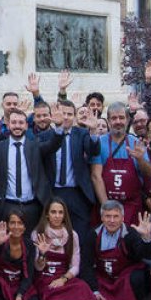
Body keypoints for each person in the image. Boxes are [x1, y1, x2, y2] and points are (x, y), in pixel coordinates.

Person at [41, 99, 99, 274]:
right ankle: (55, 274)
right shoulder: (45, 135)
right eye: (62, 113)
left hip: (77, 193)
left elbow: (93, 151)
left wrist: (93, 131)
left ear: (74, 117)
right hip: (54, 193)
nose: (65, 117)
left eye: (69, 114)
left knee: (80, 238)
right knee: (53, 237)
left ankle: (80, 277)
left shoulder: (81, 134)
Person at [0, 108, 62, 232]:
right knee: (7, 245)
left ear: (26, 125)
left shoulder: (35, 145)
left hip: (33, 206)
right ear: (8, 125)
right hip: (7, 205)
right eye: (14, 122)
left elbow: (53, 145)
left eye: (20, 123)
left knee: (32, 244)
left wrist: (59, 127)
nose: (17, 126)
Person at [87, 200, 151, 300]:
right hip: (104, 278)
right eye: (108, 216)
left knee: (138, 277)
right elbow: (86, 265)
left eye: (116, 216)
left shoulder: (130, 233)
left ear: (122, 218)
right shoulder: (92, 235)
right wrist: (94, 290)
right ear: (102, 218)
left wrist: (146, 238)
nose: (112, 221)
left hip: (125, 278)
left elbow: (146, 255)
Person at [31, 198, 98, 300]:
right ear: (47, 214)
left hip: (64, 277)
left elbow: (75, 266)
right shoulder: (38, 233)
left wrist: (63, 279)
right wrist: (42, 254)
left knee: (82, 287)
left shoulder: (72, 235)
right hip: (45, 278)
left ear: (64, 215)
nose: (57, 216)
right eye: (53, 212)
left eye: (60, 212)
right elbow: (37, 267)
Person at [92, 102, 151, 225]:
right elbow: (96, 176)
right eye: (114, 118)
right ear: (108, 121)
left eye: (121, 117)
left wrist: (140, 159)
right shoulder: (99, 143)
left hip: (132, 206)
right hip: (107, 203)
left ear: (127, 119)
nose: (118, 121)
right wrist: (106, 207)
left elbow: (148, 173)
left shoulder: (136, 143)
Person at [0, 212, 39, 300]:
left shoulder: (29, 245)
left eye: (20, 223)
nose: (16, 226)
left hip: (19, 284)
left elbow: (28, 276)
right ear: (7, 225)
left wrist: (20, 294)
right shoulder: (0, 238)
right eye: (12, 223)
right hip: (0, 284)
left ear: (24, 227)